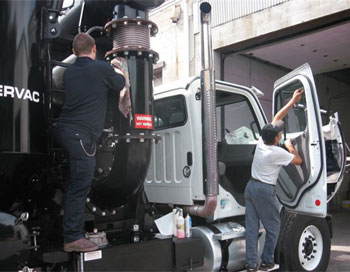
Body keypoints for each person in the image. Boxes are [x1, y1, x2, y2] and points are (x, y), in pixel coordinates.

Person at [56, 33, 125, 252]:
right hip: (81, 135)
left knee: (74, 177)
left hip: (64, 131)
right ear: (94, 48)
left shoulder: (69, 72)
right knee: (81, 185)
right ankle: (72, 238)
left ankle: (66, 211)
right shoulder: (101, 69)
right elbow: (120, 83)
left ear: (74, 52)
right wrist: (119, 68)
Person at [244, 88, 304, 271]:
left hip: (250, 188)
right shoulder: (277, 152)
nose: (280, 135)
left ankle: (251, 264)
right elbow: (299, 161)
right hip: (264, 190)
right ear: (277, 139)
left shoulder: (262, 143)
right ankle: (267, 261)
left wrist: (292, 101)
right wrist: (289, 146)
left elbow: (277, 117)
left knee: (252, 228)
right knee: (273, 227)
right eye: (280, 135)